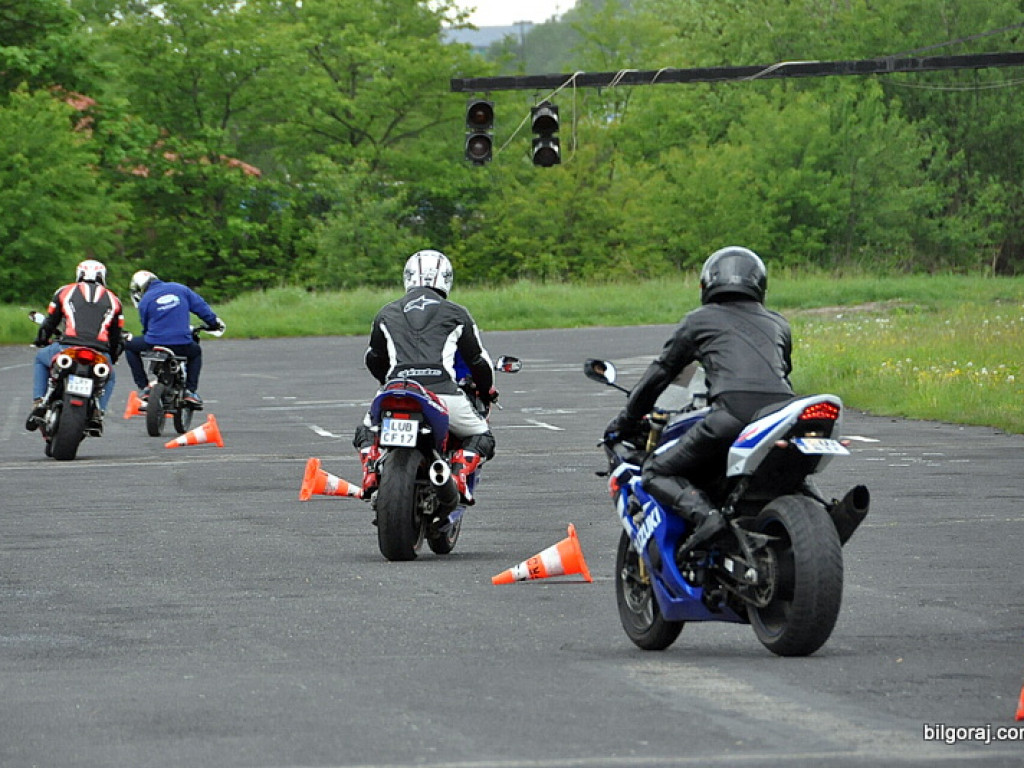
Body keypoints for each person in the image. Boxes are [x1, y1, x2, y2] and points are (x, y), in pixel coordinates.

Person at [604, 246, 795, 551]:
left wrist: (625, 422)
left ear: (707, 283)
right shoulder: (778, 323)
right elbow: (783, 372)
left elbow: (660, 374)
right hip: (782, 416)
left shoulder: (699, 320)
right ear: (760, 284)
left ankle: (706, 517)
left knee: (655, 470)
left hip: (732, 416)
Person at [354, 249, 498, 504]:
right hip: (442, 392)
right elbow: (477, 361)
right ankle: (459, 473)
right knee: (482, 435)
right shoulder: (457, 313)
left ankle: (370, 470)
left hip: (397, 389)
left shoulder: (386, 312)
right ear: (446, 278)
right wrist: (487, 389)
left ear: (408, 277)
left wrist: (387, 382)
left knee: (366, 431)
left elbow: (373, 358)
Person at [27, 259, 124, 435]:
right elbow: (116, 335)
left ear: (79, 274)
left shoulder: (65, 291)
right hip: (99, 351)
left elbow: (50, 322)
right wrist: (113, 356)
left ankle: (39, 401)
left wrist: (41, 339)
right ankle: (98, 412)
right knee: (110, 376)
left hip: (67, 346)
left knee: (41, 358)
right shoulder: (114, 300)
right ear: (102, 277)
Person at [123, 270, 224, 407]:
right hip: (181, 342)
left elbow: (146, 326)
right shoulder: (180, 289)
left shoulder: (145, 300)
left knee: (129, 347)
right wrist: (213, 323)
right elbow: (202, 309)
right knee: (195, 353)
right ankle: (190, 391)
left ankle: (144, 387)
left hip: (153, 341)